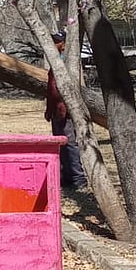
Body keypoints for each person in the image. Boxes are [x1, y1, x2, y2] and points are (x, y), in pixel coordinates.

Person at [45, 31, 87, 190]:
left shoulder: (66, 62)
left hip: (65, 110)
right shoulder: (55, 62)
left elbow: (62, 90)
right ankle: (65, 176)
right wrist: (49, 110)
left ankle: (78, 177)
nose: (54, 45)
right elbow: (51, 90)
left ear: (63, 44)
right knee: (60, 144)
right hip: (56, 111)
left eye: (57, 42)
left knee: (69, 144)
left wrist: (62, 107)